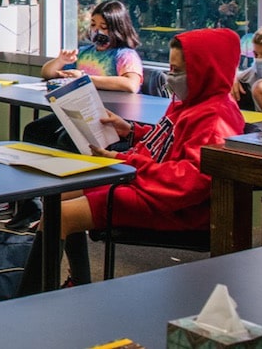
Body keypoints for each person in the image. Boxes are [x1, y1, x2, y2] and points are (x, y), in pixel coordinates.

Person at [19, 28, 246, 290]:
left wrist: (125, 162)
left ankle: (30, 296)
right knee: (58, 197)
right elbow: (168, 142)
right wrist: (132, 130)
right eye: (170, 69)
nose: (171, 78)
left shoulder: (216, 118)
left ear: (208, 70)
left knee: (62, 214)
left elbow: (189, 182)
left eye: (178, 71)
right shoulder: (188, 102)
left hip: (175, 205)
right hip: (147, 182)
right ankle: (78, 284)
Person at [8, 0, 143, 233]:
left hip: (105, 119)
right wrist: (61, 62)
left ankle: (64, 206)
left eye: (104, 26)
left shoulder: (125, 55)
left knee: (65, 143)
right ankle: (30, 206)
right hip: (74, 111)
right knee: (34, 131)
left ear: (117, 28)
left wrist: (85, 78)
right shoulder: (86, 53)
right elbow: (47, 73)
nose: (97, 31)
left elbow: (131, 84)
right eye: (94, 25)